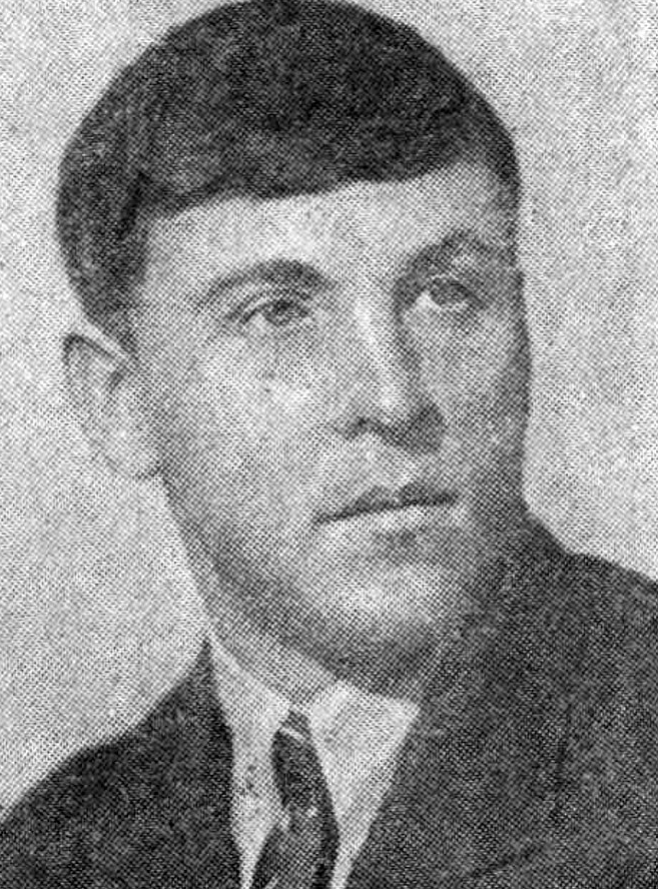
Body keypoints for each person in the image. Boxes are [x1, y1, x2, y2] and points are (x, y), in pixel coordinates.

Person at [1, 0, 657, 886]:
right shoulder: (52, 854)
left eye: (445, 294)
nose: (393, 400)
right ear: (122, 403)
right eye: (278, 313)